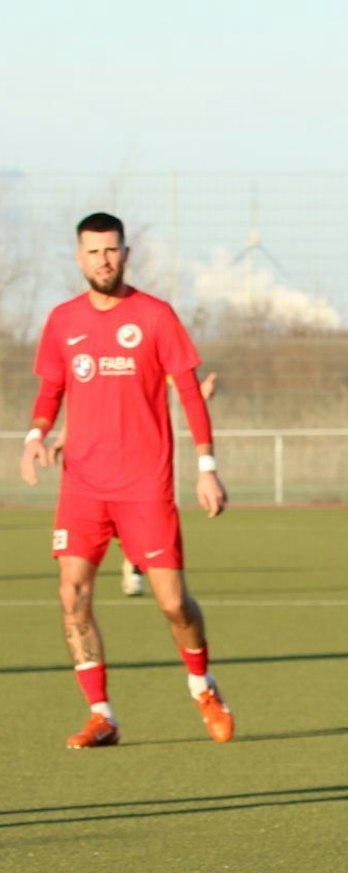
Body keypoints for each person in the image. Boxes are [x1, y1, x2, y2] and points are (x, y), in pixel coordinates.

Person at [19, 212, 234, 748]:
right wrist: (34, 436)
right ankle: (101, 715)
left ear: (126, 254)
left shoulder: (155, 316)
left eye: (111, 250)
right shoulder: (62, 320)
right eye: (93, 252)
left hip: (145, 486)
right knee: (72, 596)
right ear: (79, 257)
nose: (103, 260)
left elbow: (187, 392)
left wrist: (207, 468)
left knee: (172, 604)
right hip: (84, 486)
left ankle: (202, 685)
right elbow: (51, 391)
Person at [118, 370, 219, 598]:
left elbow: (180, 383)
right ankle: (133, 562)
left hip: (145, 453)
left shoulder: (146, 353)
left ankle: (134, 566)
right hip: (104, 453)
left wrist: (199, 394)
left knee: (142, 515)